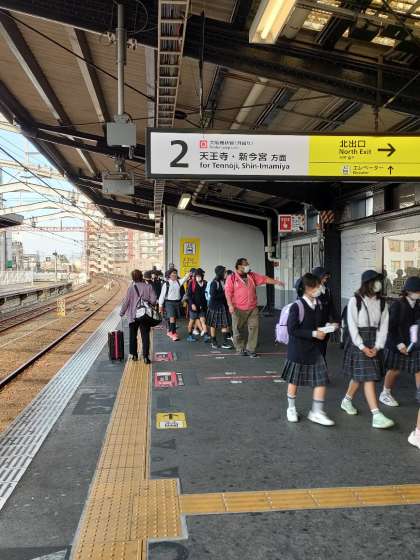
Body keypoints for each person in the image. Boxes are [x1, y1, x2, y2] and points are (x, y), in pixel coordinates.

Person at [340, 270, 394, 429]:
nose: (378, 284)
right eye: (375, 280)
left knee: (359, 376)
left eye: (379, 280)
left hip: (374, 343)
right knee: (368, 377)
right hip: (359, 343)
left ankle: (346, 400)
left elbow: (384, 327)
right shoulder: (354, 301)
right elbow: (352, 327)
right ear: (367, 283)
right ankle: (376, 415)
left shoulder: (382, 302)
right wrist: (362, 347)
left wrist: (378, 346)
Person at [281, 273, 335, 426]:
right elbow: (292, 330)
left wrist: (328, 327)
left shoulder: (318, 304)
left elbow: (319, 324)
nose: (319, 288)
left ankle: (316, 412)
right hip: (298, 351)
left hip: (315, 350)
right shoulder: (297, 306)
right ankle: (291, 408)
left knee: (321, 380)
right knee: (294, 381)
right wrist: (313, 333)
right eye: (316, 286)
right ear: (307, 288)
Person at [225, 257, 284, 358]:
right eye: (245, 264)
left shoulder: (251, 276)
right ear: (239, 266)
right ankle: (239, 348)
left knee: (254, 328)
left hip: (252, 308)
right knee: (237, 329)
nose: (248, 266)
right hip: (237, 309)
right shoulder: (232, 278)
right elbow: (228, 293)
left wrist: (277, 282)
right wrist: (230, 305)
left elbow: (265, 279)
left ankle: (250, 349)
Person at [379, 276, 420, 407]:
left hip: (411, 343)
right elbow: (390, 328)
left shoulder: (417, 304)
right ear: (409, 291)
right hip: (396, 342)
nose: (419, 294)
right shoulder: (398, 305)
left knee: (418, 369)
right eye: (417, 291)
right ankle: (385, 394)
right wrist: (399, 344)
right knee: (394, 369)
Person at [120, 269, 157, 364]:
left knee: (133, 335)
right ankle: (146, 357)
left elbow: (126, 302)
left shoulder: (131, 288)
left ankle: (134, 355)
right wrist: (147, 303)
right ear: (141, 276)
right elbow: (154, 300)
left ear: (133, 278)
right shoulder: (148, 287)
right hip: (145, 315)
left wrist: (122, 312)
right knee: (145, 336)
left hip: (133, 315)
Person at [312, 267, 340, 357]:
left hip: (325, 325)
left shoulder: (327, 290)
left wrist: (337, 320)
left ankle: (322, 364)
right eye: (323, 277)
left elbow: (331, 307)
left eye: (326, 278)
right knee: (315, 352)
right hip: (314, 327)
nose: (325, 280)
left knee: (322, 350)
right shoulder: (311, 291)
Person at [159, 268, 191, 341]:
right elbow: (162, 295)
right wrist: (160, 306)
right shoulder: (166, 284)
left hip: (177, 302)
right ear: (169, 275)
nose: (174, 274)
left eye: (175, 273)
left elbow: (185, 278)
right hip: (169, 302)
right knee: (172, 317)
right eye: (173, 273)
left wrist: (189, 273)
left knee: (174, 318)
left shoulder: (179, 282)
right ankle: (174, 334)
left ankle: (170, 331)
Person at [206, 265, 233, 350]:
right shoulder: (215, 282)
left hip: (223, 306)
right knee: (213, 325)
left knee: (225, 324)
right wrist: (224, 293)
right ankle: (213, 341)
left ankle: (225, 343)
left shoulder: (224, 281)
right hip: (215, 307)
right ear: (221, 273)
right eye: (225, 272)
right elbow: (213, 295)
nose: (226, 273)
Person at [186, 268, 211, 342]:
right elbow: (189, 295)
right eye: (196, 276)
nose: (197, 277)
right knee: (191, 321)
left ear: (202, 276)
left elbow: (207, 294)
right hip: (193, 306)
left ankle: (206, 336)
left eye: (199, 276)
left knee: (203, 320)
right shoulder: (192, 283)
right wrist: (192, 304)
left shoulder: (205, 283)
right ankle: (190, 335)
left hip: (202, 306)